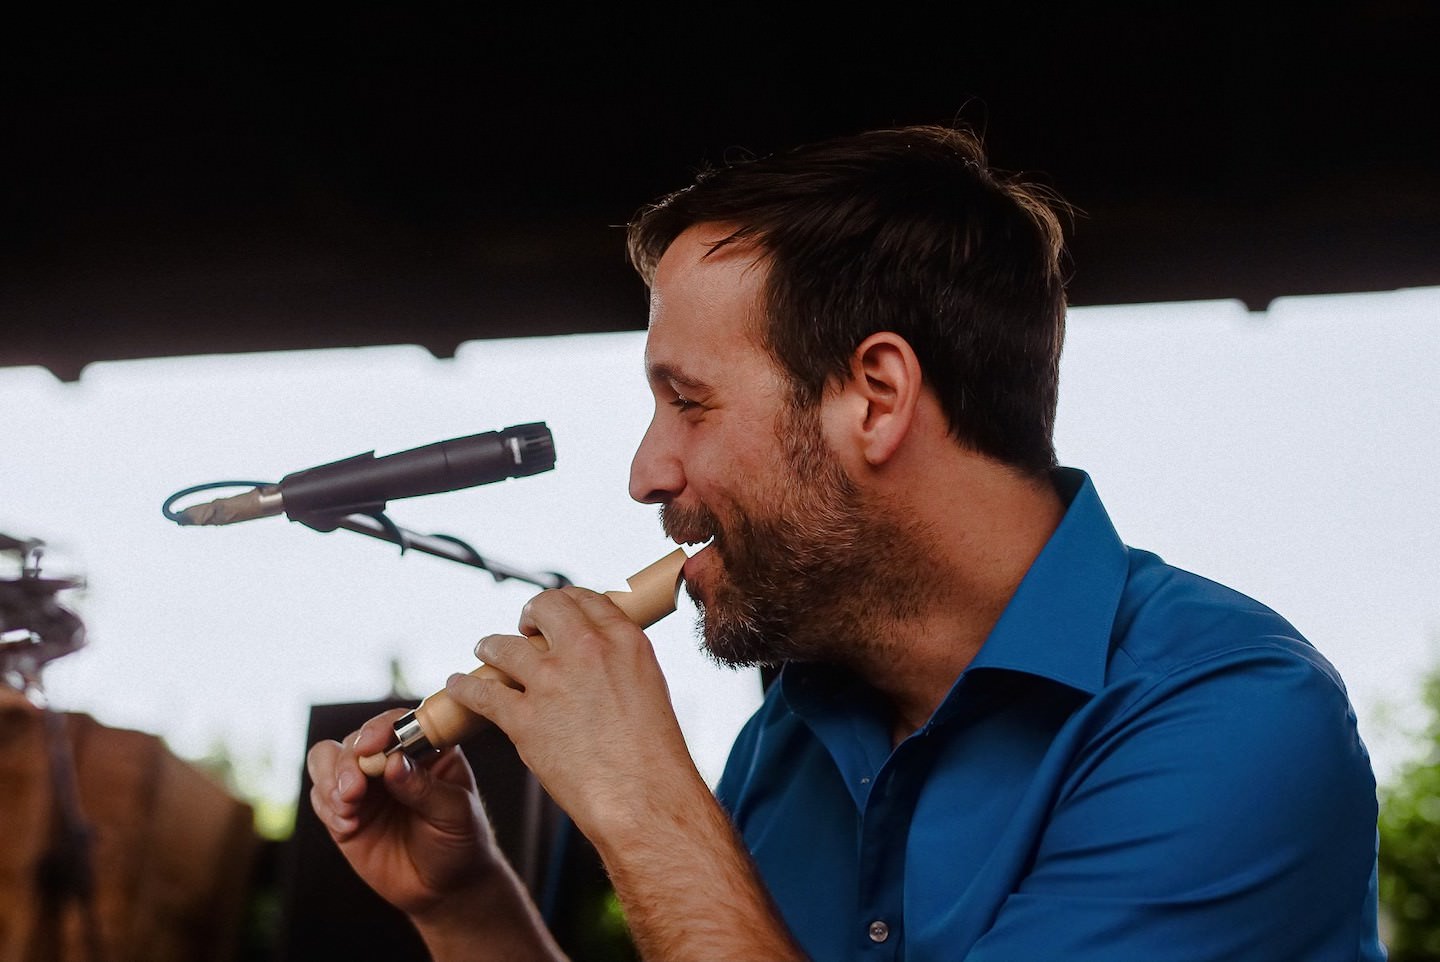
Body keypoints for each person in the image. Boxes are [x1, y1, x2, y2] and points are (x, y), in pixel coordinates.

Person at [307, 124, 1385, 961]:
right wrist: (468, 909)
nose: (646, 472)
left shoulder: (1234, 720)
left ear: (874, 397)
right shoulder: (794, 731)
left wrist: (641, 799)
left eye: (689, 402)